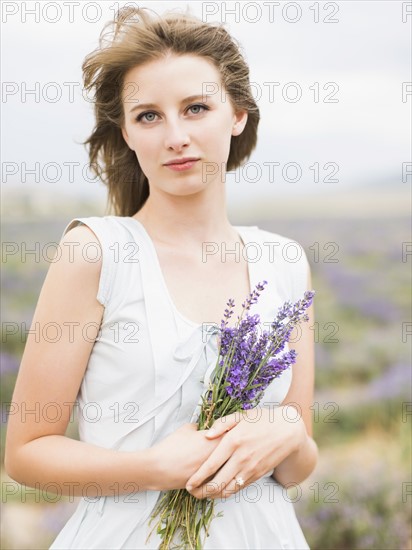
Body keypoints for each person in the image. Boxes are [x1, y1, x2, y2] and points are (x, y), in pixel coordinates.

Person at [5, 6, 318, 549]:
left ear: (237, 114)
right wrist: (155, 467)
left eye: (196, 107)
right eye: (148, 115)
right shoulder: (97, 253)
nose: (176, 136)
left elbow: (295, 468)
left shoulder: (284, 261)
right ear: (126, 131)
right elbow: (26, 453)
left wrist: (288, 430)